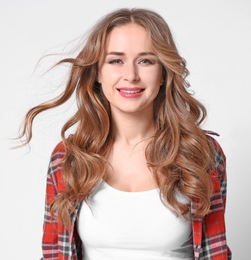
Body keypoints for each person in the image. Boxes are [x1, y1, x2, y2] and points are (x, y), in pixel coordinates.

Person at [20, 7, 231, 260]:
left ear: (163, 72)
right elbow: (55, 254)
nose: (131, 76)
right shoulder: (68, 159)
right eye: (115, 60)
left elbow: (215, 253)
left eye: (146, 60)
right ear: (97, 72)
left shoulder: (200, 154)